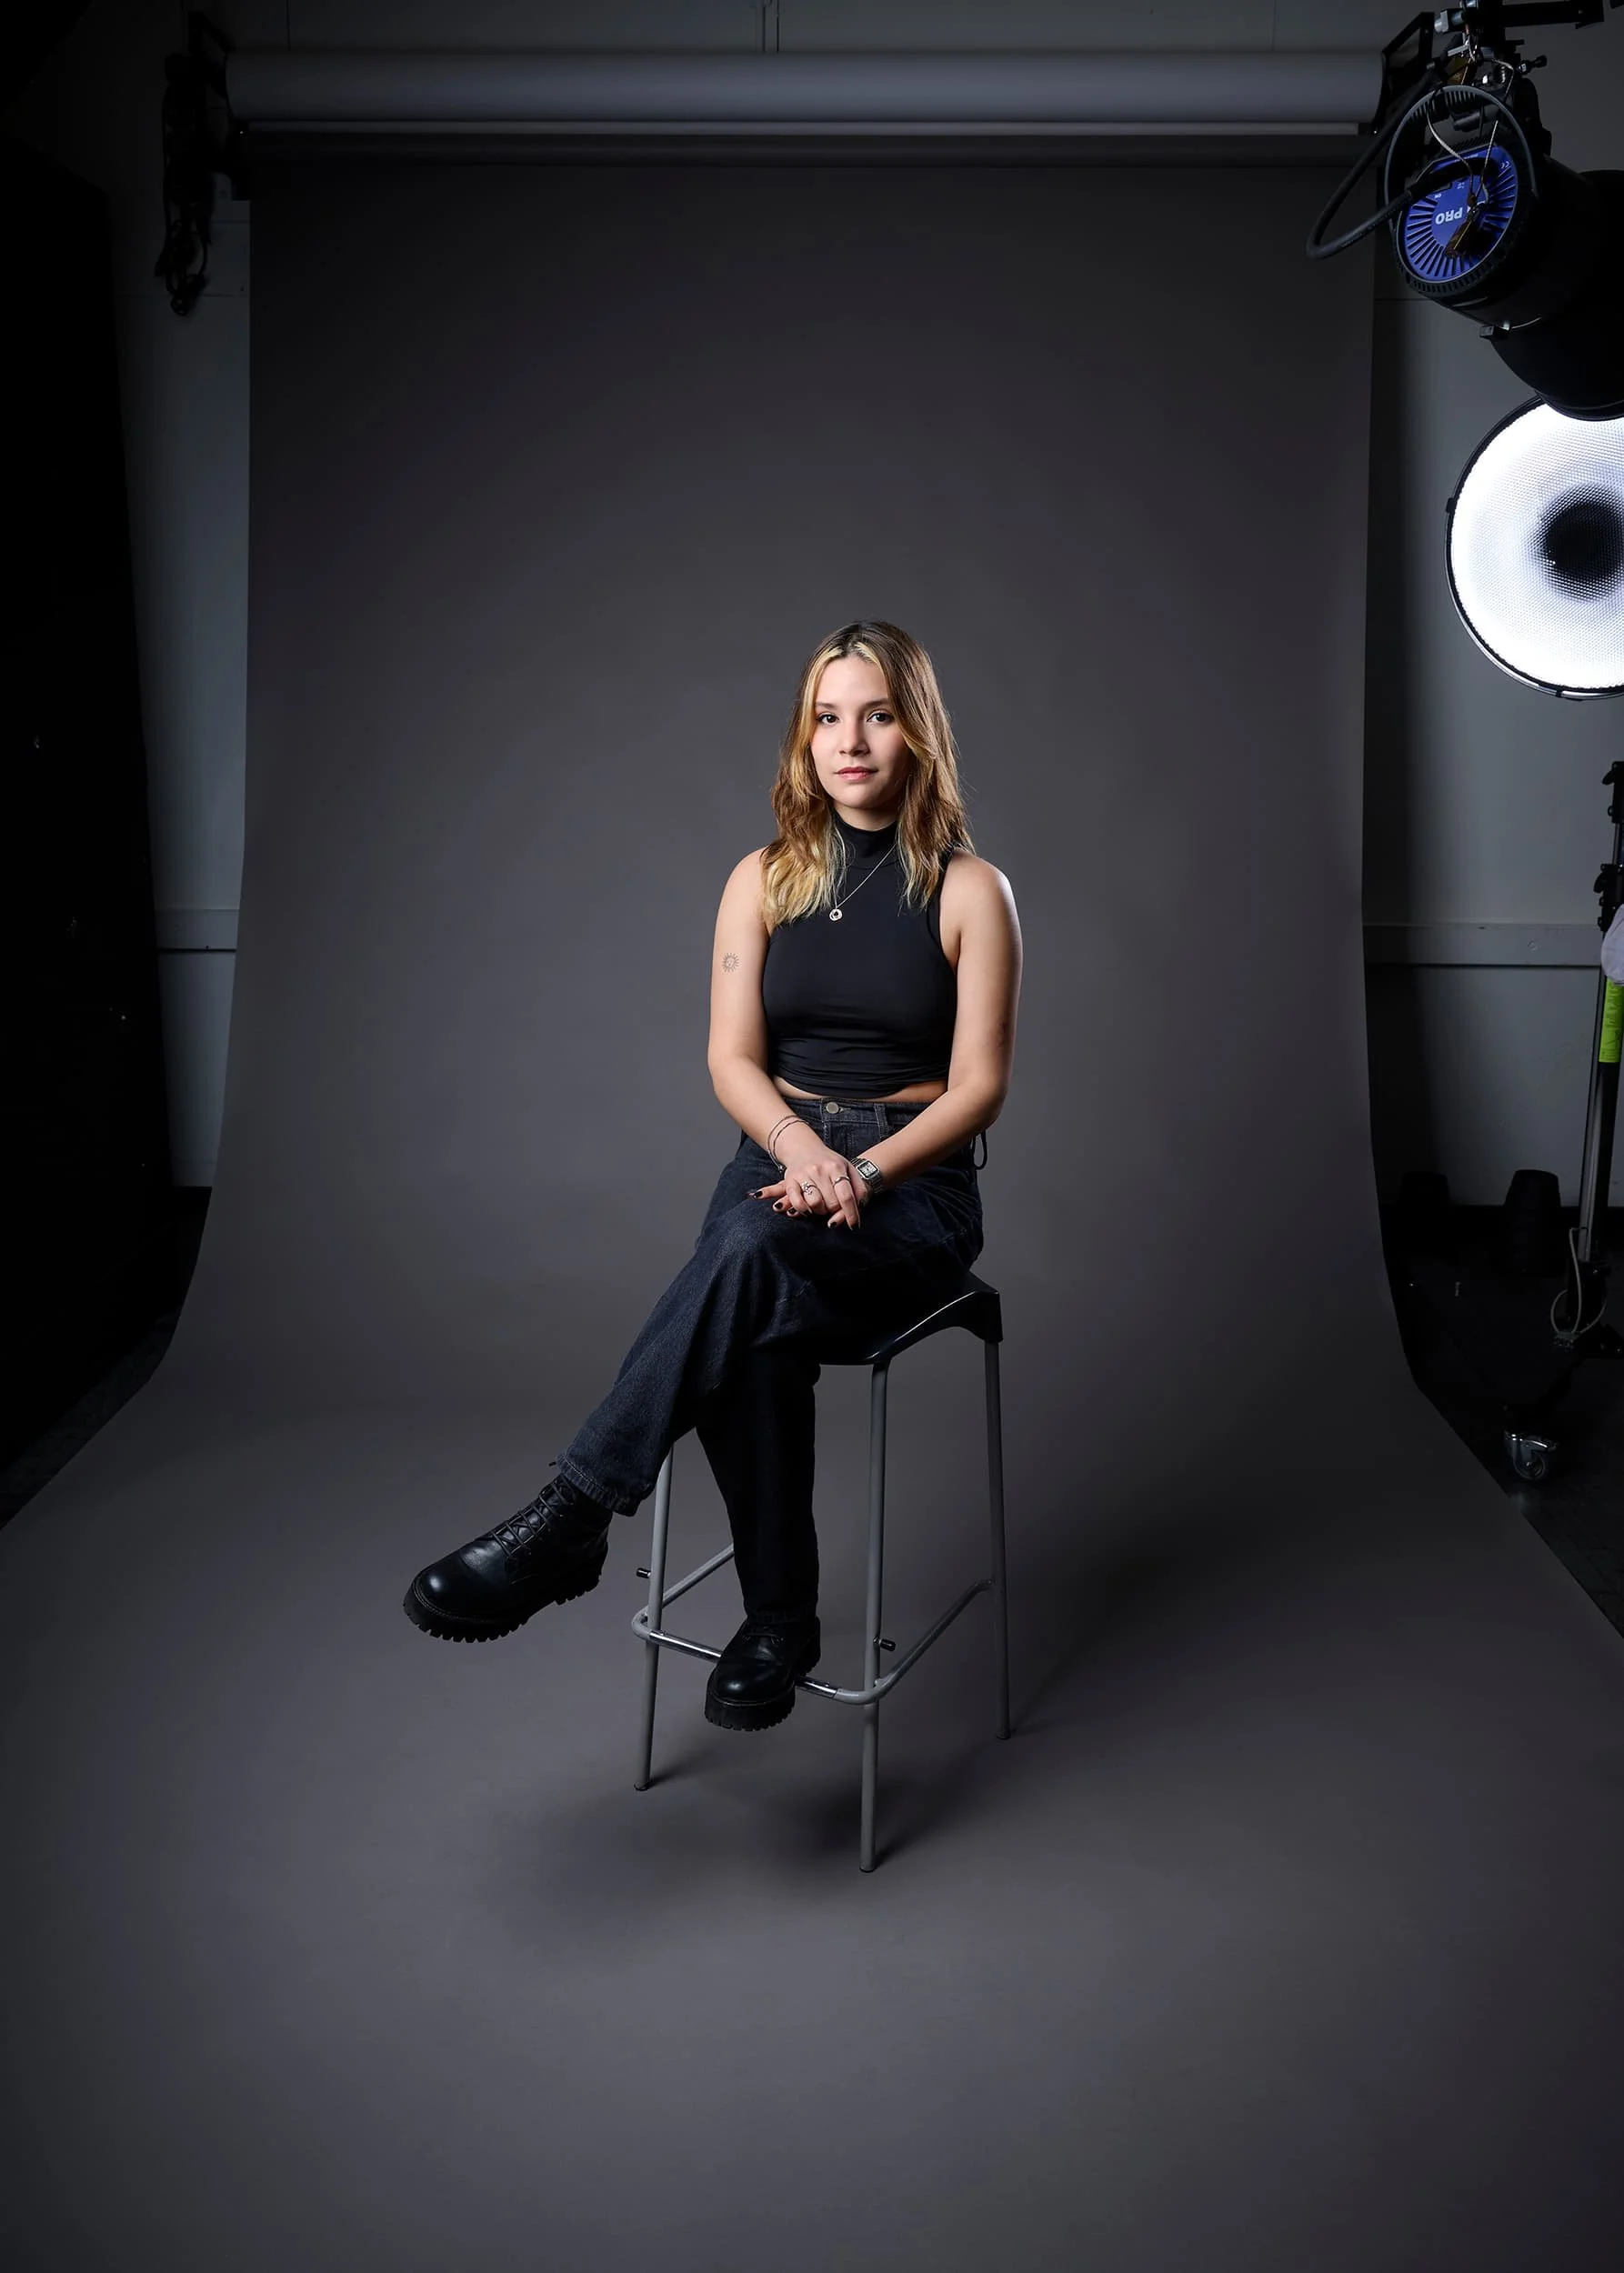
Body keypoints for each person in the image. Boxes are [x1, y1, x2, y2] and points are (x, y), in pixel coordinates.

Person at [404, 619, 1022, 1732]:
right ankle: (776, 1622)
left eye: (877, 715)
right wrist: (801, 1150)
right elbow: (732, 1059)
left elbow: (978, 1088)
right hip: (776, 1161)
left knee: (741, 1261)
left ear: (917, 733)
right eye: (827, 717)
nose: (850, 741)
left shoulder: (972, 891)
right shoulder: (763, 878)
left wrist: (858, 1168)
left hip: (911, 1185)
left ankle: (576, 1517)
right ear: (803, 736)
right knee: (751, 1298)